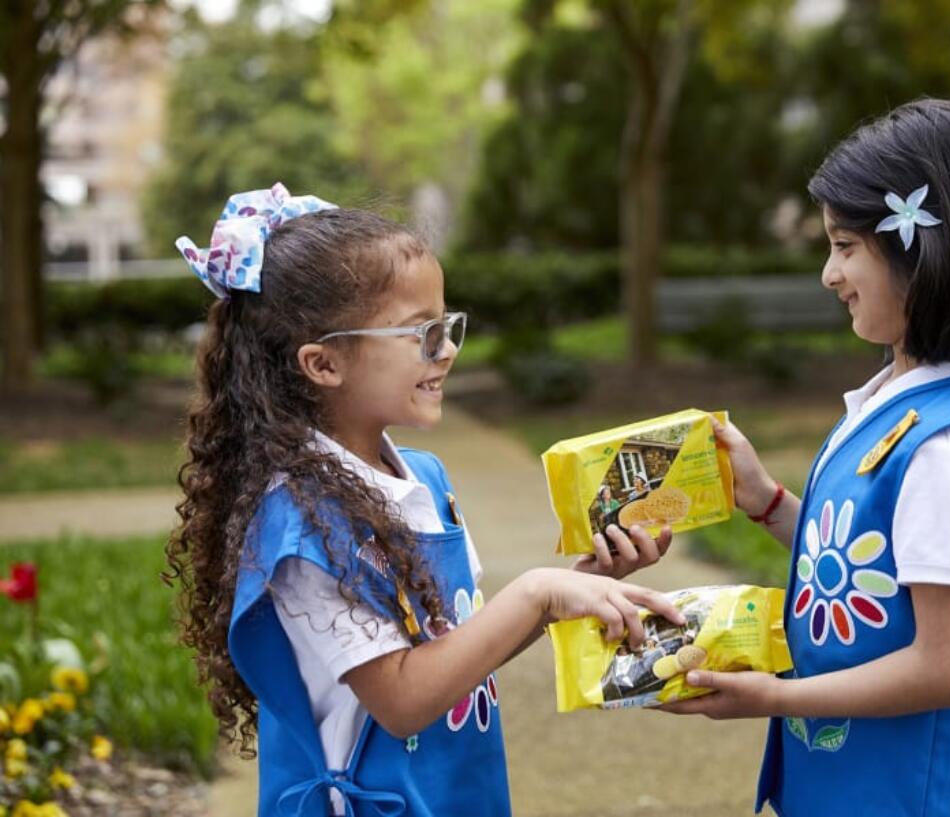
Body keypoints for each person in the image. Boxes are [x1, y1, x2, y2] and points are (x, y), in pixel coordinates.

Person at [164, 184, 682, 817]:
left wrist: (580, 586)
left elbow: (455, 651)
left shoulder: (425, 480)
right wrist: (535, 593)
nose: (448, 348)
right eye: (420, 333)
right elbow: (402, 699)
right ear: (324, 364)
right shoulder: (298, 524)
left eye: (447, 325)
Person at [660, 100, 950, 817]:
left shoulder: (942, 448)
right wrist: (766, 501)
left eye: (845, 245)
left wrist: (776, 697)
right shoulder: (900, 401)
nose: (828, 273)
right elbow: (874, 572)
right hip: (859, 785)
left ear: (924, 251)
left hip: (914, 796)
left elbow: (949, 665)